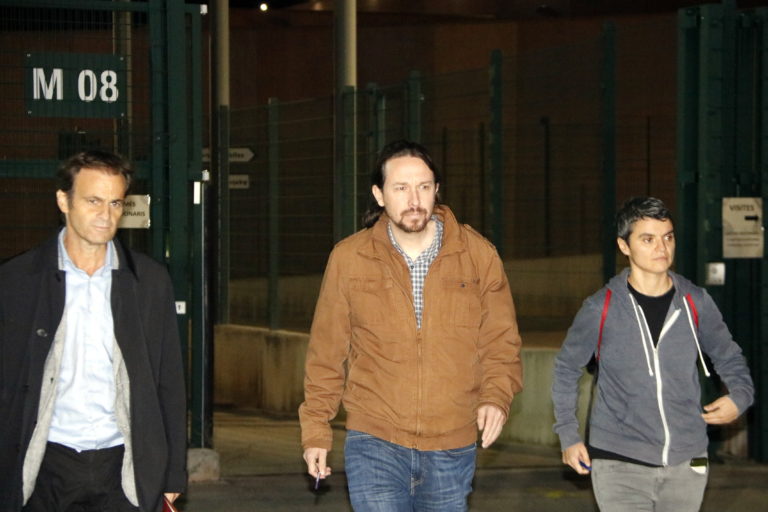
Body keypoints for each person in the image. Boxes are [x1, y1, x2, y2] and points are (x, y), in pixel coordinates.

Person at [299, 139, 523, 511]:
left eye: (423, 186)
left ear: (437, 190)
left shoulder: (478, 256)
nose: (414, 199)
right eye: (401, 188)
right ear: (380, 195)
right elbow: (326, 354)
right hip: (374, 440)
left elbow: (501, 342)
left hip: (452, 444)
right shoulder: (349, 259)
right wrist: (316, 431)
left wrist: (496, 397)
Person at [0, 150, 187, 512]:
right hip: (43, 466)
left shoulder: (149, 282)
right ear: (63, 201)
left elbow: (169, 382)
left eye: (115, 203)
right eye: (93, 201)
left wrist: (172, 474)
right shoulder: (16, 281)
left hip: (123, 468)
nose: (106, 215)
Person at [552, 196, 754, 511]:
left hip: (687, 460)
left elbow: (729, 357)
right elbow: (566, 369)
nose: (662, 248)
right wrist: (568, 435)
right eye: (648, 239)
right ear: (624, 246)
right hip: (618, 461)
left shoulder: (696, 302)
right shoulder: (600, 308)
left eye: (668, 237)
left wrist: (740, 396)